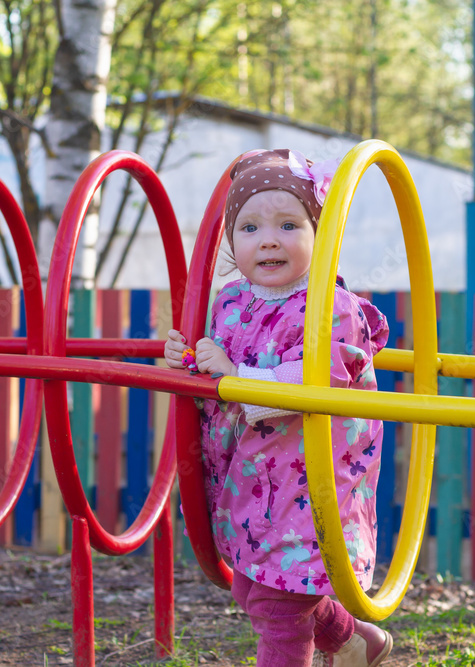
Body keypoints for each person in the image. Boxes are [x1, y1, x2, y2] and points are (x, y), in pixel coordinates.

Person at [165, 149, 393, 667]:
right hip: (251, 480)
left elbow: (317, 378)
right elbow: (215, 369)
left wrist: (235, 375)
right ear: (230, 240)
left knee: (277, 606)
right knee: (252, 590)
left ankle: (340, 643)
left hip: (311, 487)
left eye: (289, 224)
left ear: (319, 233)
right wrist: (190, 360)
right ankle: (357, 642)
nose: (268, 239)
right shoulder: (230, 302)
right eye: (249, 227)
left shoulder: (331, 307)